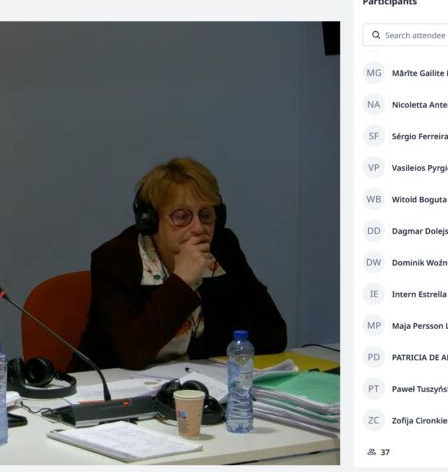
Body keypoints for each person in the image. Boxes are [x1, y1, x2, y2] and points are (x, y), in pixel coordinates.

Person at [73, 157, 287, 371]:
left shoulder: (223, 247)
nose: (198, 228)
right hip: (111, 384)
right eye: (182, 217)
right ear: (150, 221)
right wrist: (182, 281)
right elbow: (132, 354)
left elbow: (274, 335)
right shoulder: (115, 258)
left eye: (206, 215)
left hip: (194, 382)